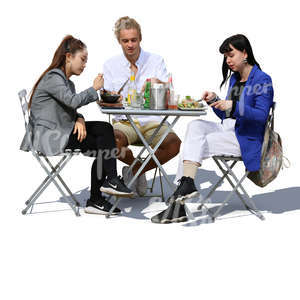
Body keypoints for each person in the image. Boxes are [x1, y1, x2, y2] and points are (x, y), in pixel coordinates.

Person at [151, 34, 274, 224]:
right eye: (225, 57)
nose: (228, 60)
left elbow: (260, 116)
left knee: (195, 143)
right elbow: (227, 116)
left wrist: (232, 105)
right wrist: (215, 102)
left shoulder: (263, 80)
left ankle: (179, 201)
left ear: (245, 53)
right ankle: (187, 184)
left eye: (231, 55)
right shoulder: (234, 79)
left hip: (245, 138)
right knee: (195, 126)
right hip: (228, 129)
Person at [20, 35, 133, 216]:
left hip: (60, 130)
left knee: (105, 138)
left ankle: (99, 194)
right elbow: (72, 102)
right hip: (50, 137)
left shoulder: (66, 82)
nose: (84, 64)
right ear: (68, 57)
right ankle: (105, 187)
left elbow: (69, 107)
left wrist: (79, 118)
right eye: (82, 59)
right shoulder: (53, 77)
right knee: (105, 139)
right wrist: (94, 89)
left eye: (86, 61)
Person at [102, 16, 181, 197]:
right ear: (119, 41)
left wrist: (159, 82)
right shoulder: (110, 65)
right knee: (112, 142)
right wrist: (113, 98)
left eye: (133, 40)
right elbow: (106, 98)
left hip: (152, 120)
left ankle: (136, 170)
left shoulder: (156, 60)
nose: (130, 45)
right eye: (125, 41)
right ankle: (138, 169)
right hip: (125, 122)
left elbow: (169, 90)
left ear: (140, 38)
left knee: (174, 145)